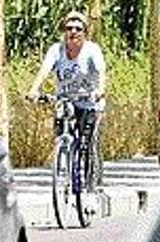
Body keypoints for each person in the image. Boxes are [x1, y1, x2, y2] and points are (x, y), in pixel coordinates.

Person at [26, 10, 107, 186]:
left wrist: (99, 90)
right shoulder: (56, 50)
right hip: (66, 100)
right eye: (69, 28)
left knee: (87, 144)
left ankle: (91, 188)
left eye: (78, 29)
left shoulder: (92, 50)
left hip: (89, 103)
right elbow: (44, 70)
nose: (73, 32)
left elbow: (101, 72)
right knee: (62, 132)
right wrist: (34, 90)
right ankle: (64, 164)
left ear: (85, 32)